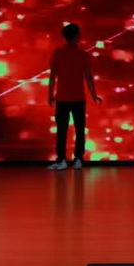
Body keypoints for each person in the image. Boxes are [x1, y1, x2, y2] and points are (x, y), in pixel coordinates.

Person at [47, 22, 101, 170]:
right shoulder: (82, 54)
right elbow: (88, 77)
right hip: (78, 98)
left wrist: (50, 94)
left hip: (62, 98)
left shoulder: (58, 53)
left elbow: (52, 76)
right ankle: (78, 159)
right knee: (79, 129)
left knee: (62, 130)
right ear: (77, 36)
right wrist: (94, 95)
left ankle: (61, 160)